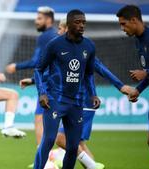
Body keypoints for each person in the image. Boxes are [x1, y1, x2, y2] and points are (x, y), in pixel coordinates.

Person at [20, 18, 133, 169]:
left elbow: (100, 68)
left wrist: (120, 86)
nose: (58, 32)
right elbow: (53, 74)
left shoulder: (84, 49)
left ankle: (92, 166)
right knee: (75, 144)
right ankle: (92, 166)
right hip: (67, 101)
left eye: (60, 29)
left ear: (68, 28)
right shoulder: (59, 47)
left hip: (83, 102)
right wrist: (34, 81)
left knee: (63, 140)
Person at [33, 9, 101, 169]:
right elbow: (38, 69)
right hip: (55, 100)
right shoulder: (55, 44)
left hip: (76, 103)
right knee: (48, 140)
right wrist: (42, 93)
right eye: (77, 22)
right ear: (68, 24)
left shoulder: (89, 46)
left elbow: (89, 74)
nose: (81, 25)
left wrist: (93, 94)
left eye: (83, 22)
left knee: (72, 147)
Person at [6, 6, 58, 144]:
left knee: (39, 119)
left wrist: (16, 66)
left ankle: (43, 159)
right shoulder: (55, 36)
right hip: (57, 82)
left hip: (49, 84)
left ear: (48, 20)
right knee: (56, 120)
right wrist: (33, 80)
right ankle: (56, 154)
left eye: (39, 18)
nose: (36, 21)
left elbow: (37, 61)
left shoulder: (46, 37)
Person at [116, 5, 149, 161]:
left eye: (123, 24)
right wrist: (138, 90)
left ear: (134, 20)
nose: (122, 28)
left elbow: (148, 71)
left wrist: (147, 72)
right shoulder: (139, 41)